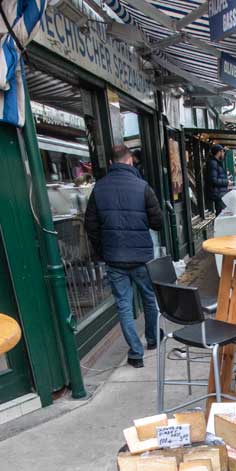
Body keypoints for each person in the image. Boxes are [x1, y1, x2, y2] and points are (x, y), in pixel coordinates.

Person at [84, 145, 164, 369]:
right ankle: (152, 339)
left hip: (114, 258)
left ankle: (136, 354)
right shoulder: (143, 187)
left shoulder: (99, 189)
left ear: (111, 163)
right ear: (130, 161)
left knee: (124, 305)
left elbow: (90, 225)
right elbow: (157, 222)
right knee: (149, 298)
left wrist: (103, 250)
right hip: (141, 257)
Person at [206, 144, 230, 213]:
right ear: (219, 152)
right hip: (218, 195)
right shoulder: (213, 163)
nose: (223, 154)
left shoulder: (216, 162)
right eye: (223, 152)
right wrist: (226, 182)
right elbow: (213, 180)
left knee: (222, 214)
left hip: (219, 194)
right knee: (222, 215)